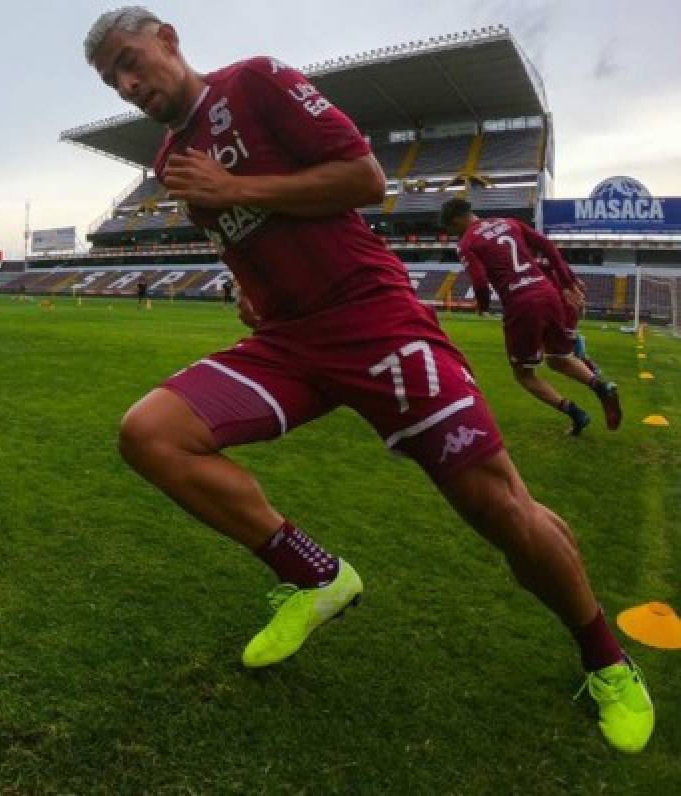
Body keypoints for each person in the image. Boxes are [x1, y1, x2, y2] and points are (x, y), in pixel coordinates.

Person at [84, 6, 652, 753]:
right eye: (112, 78)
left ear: (168, 40)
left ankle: (607, 661)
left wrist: (237, 189)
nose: (128, 84)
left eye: (131, 59)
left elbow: (365, 178)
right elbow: (230, 233)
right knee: (150, 434)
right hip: (289, 341)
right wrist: (248, 286)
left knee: (499, 508)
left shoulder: (256, 82)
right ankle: (317, 576)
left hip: (373, 318)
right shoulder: (167, 161)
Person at [440, 198, 621, 436]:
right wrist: (567, 282)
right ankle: (601, 386)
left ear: (456, 220)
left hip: (521, 302)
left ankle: (576, 413)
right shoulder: (509, 222)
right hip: (547, 292)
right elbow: (547, 245)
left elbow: (480, 283)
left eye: (452, 229)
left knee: (524, 374)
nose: (454, 234)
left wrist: (482, 306)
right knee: (558, 358)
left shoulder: (467, 243)